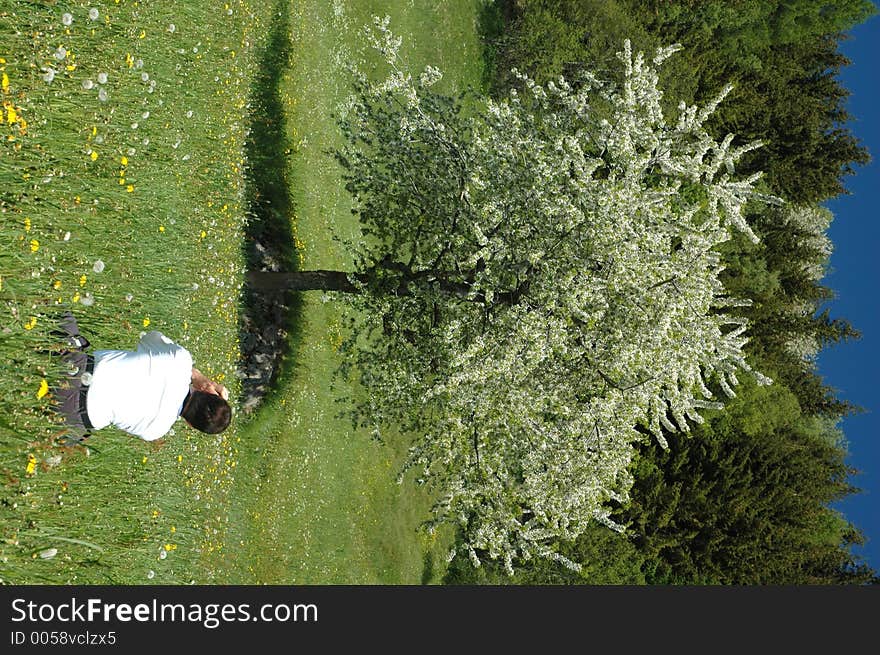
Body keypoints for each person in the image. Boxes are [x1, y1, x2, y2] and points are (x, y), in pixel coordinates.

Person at [50, 312, 231, 444]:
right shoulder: (155, 430)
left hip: (75, 367)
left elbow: (149, 338)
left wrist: (198, 376)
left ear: (207, 390)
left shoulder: (180, 360)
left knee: (55, 306)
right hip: (73, 419)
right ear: (191, 425)